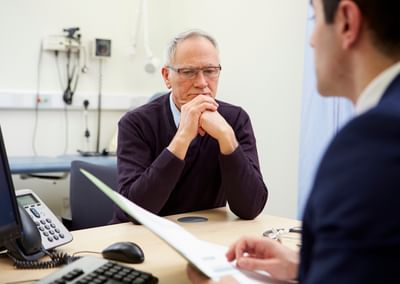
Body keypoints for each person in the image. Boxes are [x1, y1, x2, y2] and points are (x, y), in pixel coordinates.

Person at [187, 0, 400, 283]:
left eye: (314, 19)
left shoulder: (373, 138)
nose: (311, 41)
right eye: (189, 71)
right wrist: (303, 266)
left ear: (347, 22)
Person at [111, 30, 268, 223]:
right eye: (189, 72)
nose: (202, 83)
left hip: (204, 236)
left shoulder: (235, 119)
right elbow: (135, 211)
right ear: (167, 76)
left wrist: (226, 137)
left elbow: (250, 208)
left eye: (210, 71)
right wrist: (183, 136)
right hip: (142, 237)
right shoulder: (136, 123)